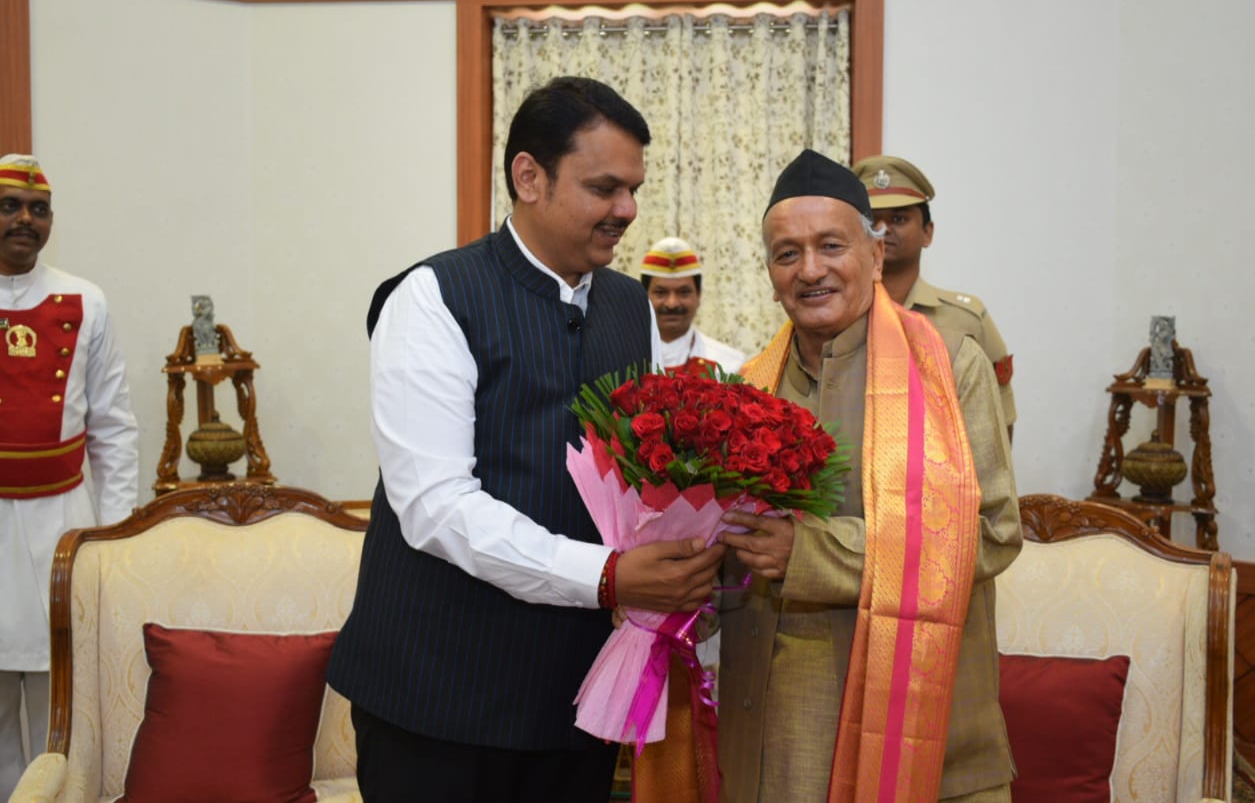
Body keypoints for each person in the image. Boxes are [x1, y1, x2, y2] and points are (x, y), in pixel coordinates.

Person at [326, 77, 726, 802]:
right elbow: (437, 506)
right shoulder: (433, 297)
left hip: (572, 701)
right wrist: (608, 575)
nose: (627, 211)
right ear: (528, 176)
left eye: (633, 189)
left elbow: (647, 473)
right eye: (605, 188)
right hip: (436, 702)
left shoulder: (628, 303)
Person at [716, 149, 1021, 802]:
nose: (811, 269)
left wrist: (814, 551)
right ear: (769, 273)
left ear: (875, 254)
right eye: (787, 253)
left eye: (831, 244)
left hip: (932, 732)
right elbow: (732, 551)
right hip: (786, 738)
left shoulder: (949, 369)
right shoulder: (749, 388)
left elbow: (991, 531)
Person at [0, 154, 139, 797]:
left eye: (38, 208)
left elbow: (114, 428)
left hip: (65, 520)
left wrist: (112, 536)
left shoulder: (87, 300)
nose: (24, 220)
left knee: (69, 701)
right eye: (9, 205)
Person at [850, 155, 1017, 434]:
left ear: (928, 232)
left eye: (899, 218)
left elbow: (998, 424)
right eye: (872, 221)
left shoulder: (966, 320)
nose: (883, 229)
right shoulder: (837, 317)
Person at [640, 236, 747, 375]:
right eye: (661, 292)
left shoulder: (729, 365)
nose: (672, 304)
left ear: (699, 295)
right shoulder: (624, 359)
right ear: (643, 297)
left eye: (683, 292)